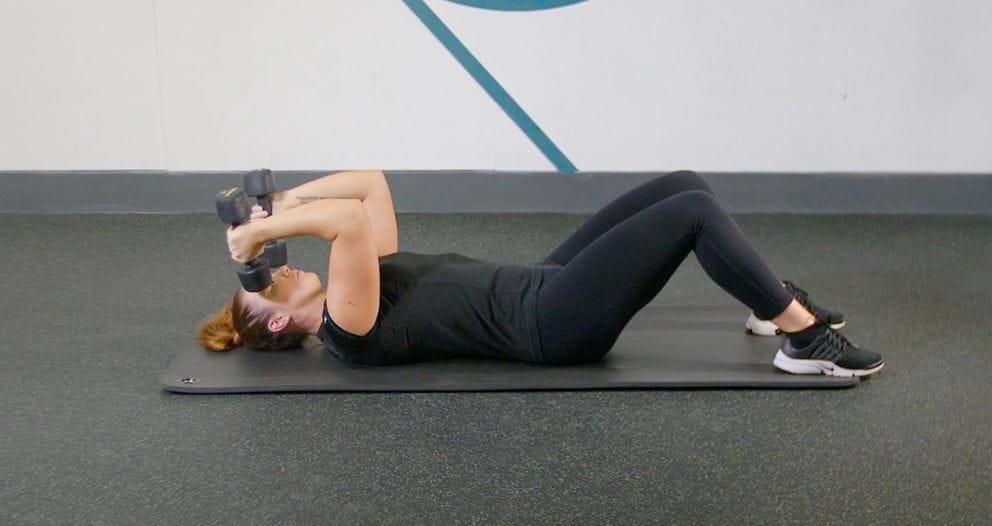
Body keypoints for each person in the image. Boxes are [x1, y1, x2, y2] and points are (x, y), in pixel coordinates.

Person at [198, 169, 883, 378]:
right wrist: (262, 232)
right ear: (279, 324)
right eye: (267, 282)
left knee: (682, 184)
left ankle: (766, 301)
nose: (280, 268)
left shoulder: (361, 280)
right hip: (549, 325)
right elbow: (346, 219)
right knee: (694, 214)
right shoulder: (346, 330)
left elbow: (369, 185)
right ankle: (803, 339)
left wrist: (281, 203)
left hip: (540, 279)